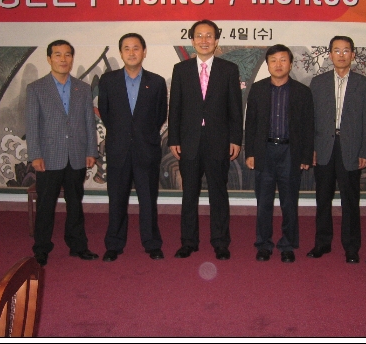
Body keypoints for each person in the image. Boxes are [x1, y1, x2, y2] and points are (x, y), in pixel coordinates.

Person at [168, 19, 243, 260]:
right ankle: (188, 242)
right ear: (192, 40)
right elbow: (175, 107)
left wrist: (236, 139)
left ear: (216, 40)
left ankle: (220, 242)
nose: (204, 40)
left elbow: (235, 108)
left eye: (209, 35)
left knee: (218, 193)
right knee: (189, 193)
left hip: (218, 141)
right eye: (199, 36)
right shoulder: (181, 70)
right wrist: (174, 138)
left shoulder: (228, 69)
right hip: (188, 141)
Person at [26, 39, 99, 266]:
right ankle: (41, 248)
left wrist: (91, 150)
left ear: (72, 58)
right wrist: (35, 155)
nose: (63, 59)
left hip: (76, 155)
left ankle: (78, 246)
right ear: (49, 59)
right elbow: (32, 125)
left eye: (67, 54)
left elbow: (89, 122)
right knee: (45, 204)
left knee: (75, 203)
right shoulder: (36, 88)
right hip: (48, 157)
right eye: (58, 55)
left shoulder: (82, 88)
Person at [98, 33, 167, 262]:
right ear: (120, 53)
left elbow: (160, 115)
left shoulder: (156, 82)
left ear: (144, 52)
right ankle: (114, 244)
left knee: (148, 200)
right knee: (116, 199)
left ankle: (152, 243)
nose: (131, 52)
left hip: (146, 149)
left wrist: (141, 135)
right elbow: (106, 113)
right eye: (126, 48)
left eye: (136, 48)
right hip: (118, 149)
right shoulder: (108, 81)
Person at [308, 36, 366, 264]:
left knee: (350, 200)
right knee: (322, 199)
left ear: (353, 55)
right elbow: (311, 119)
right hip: (324, 147)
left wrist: (365, 151)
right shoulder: (318, 83)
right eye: (336, 50)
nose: (341, 55)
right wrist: (311, 148)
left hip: (351, 148)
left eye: (346, 50)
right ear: (330, 54)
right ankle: (322, 243)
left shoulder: (364, 84)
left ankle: (351, 247)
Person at [245, 44, 314, 263]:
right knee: (263, 202)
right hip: (264, 151)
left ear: (290, 64)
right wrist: (250, 152)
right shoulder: (257, 89)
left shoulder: (302, 92)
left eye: (283, 60)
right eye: (273, 60)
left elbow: (308, 126)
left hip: (290, 152)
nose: (278, 64)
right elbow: (251, 123)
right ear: (267, 65)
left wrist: (306, 156)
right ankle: (263, 244)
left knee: (289, 202)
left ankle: (287, 245)